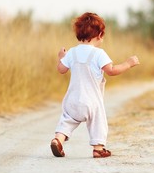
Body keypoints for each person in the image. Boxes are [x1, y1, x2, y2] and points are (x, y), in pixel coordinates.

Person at [50, 12, 140, 158]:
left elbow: (61, 70)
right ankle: (98, 149)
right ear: (99, 35)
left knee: (67, 120)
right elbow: (111, 71)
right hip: (92, 102)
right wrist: (128, 64)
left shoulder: (72, 52)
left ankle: (58, 140)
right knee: (98, 121)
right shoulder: (99, 54)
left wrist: (61, 58)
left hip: (73, 100)